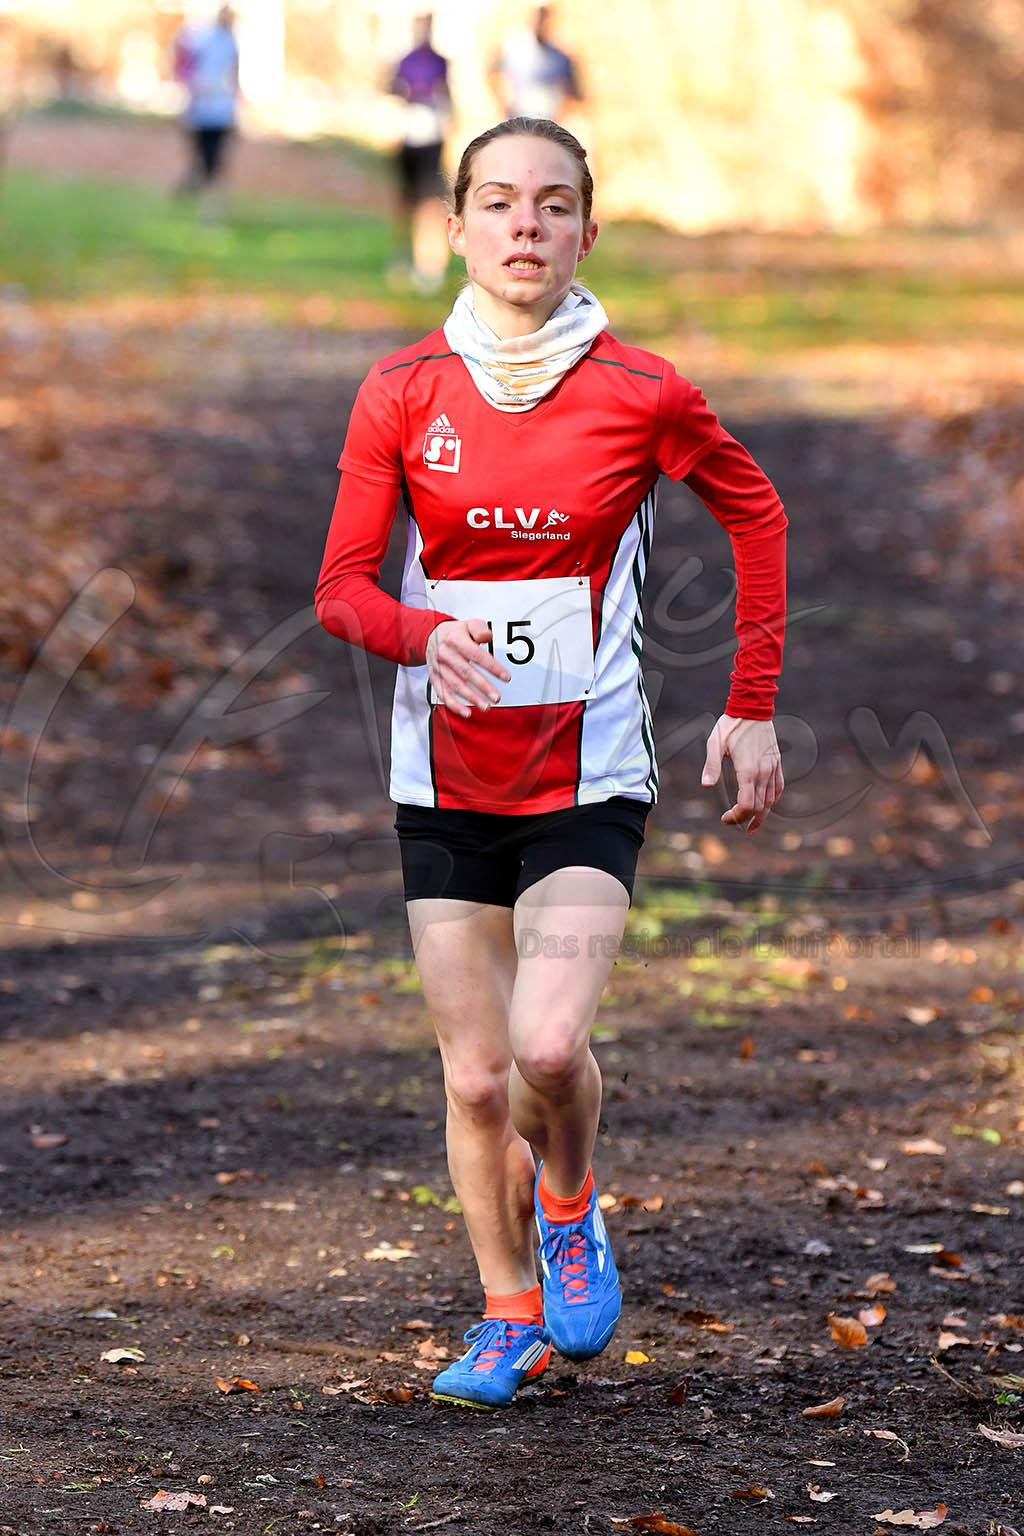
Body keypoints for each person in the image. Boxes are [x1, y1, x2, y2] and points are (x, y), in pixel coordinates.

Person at [313, 118, 787, 1410]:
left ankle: (568, 1202)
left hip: (588, 772)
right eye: (499, 201)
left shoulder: (642, 392)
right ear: (456, 226)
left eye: (554, 203)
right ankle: (507, 1313)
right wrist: (426, 635)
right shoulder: (403, 388)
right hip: (443, 777)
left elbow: (756, 511)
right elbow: (342, 589)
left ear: (585, 231)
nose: (525, 223)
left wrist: (750, 706)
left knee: (548, 1048)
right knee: (475, 1077)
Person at [388, 13, 452, 293]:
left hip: (432, 139)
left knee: (431, 204)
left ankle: (429, 265)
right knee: (406, 202)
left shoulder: (440, 62)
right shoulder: (405, 61)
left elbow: (447, 98)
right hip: (409, 137)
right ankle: (401, 257)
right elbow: (393, 91)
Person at [176, 4, 239, 220]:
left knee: (215, 162)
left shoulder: (231, 42)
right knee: (203, 160)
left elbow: (234, 75)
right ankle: (199, 196)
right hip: (203, 110)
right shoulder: (201, 39)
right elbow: (184, 66)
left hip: (221, 112)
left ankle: (210, 208)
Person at [489, 6, 583, 123]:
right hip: (519, 118)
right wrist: (502, 104)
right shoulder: (514, 49)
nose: (540, 21)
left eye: (544, 17)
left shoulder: (560, 56)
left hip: (548, 121)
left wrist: (560, 116)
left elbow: (573, 92)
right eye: (538, 16)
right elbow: (492, 73)